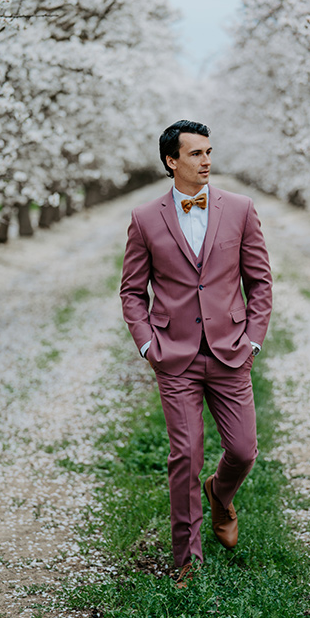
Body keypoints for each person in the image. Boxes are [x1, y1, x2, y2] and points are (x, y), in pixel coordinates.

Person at [119, 120, 273, 587]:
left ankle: (220, 493)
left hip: (230, 351)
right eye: (196, 154)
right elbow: (131, 291)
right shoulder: (145, 219)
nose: (207, 161)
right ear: (171, 161)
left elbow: (260, 282)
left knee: (243, 451)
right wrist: (148, 343)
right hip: (175, 356)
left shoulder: (241, 209)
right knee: (185, 455)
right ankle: (188, 559)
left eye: (209, 152)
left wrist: (253, 338)